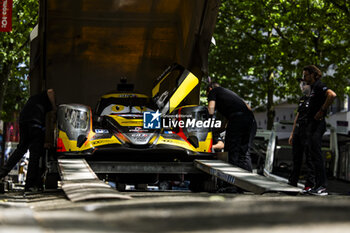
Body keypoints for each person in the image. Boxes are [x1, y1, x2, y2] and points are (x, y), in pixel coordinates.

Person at [0, 89, 56, 192]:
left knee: (21, 149)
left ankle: (1, 173)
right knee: (35, 154)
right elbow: (50, 91)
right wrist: (54, 108)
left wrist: (43, 143)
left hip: (24, 121)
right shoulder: (45, 97)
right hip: (35, 123)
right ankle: (29, 185)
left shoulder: (35, 100)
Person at [302, 65, 336, 196]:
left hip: (317, 125)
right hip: (311, 125)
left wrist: (322, 110)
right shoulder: (311, 88)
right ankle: (316, 185)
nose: (304, 78)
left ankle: (322, 186)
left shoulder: (319, 85)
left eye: (306, 75)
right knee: (312, 156)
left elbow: (332, 95)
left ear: (313, 75)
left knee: (316, 155)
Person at [207, 82, 257, 171]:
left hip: (237, 118)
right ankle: (247, 179)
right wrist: (215, 131)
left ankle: (231, 179)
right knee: (244, 152)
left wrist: (206, 121)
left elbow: (210, 110)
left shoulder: (213, 91)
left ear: (210, 89)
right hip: (250, 120)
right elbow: (248, 108)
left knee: (231, 150)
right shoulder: (231, 96)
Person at [288, 80, 315, 192]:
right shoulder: (302, 99)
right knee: (296, 158)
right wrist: (292, 133)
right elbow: (297, 116)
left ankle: (310, 184)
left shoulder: (315, 98)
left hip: (308, 131)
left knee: (309, 158)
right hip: (298, 130)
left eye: (304, 84)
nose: (302, 87)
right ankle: (292, 181)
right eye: (301, 85)